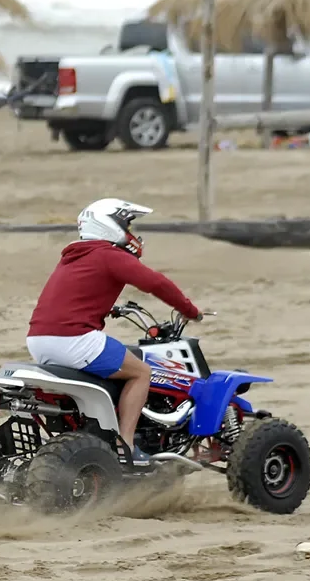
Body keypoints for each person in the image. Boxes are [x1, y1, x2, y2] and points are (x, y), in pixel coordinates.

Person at [25, 198, 203, 466]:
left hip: (39, 340)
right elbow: (156, 283)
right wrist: (190, 311)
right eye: (127, 224)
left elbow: (75, 294)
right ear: (110, 225)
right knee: (141, 372)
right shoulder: (108, 254)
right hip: (74, 339)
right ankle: (126, 445)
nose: (131, 232)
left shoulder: (74, 256)